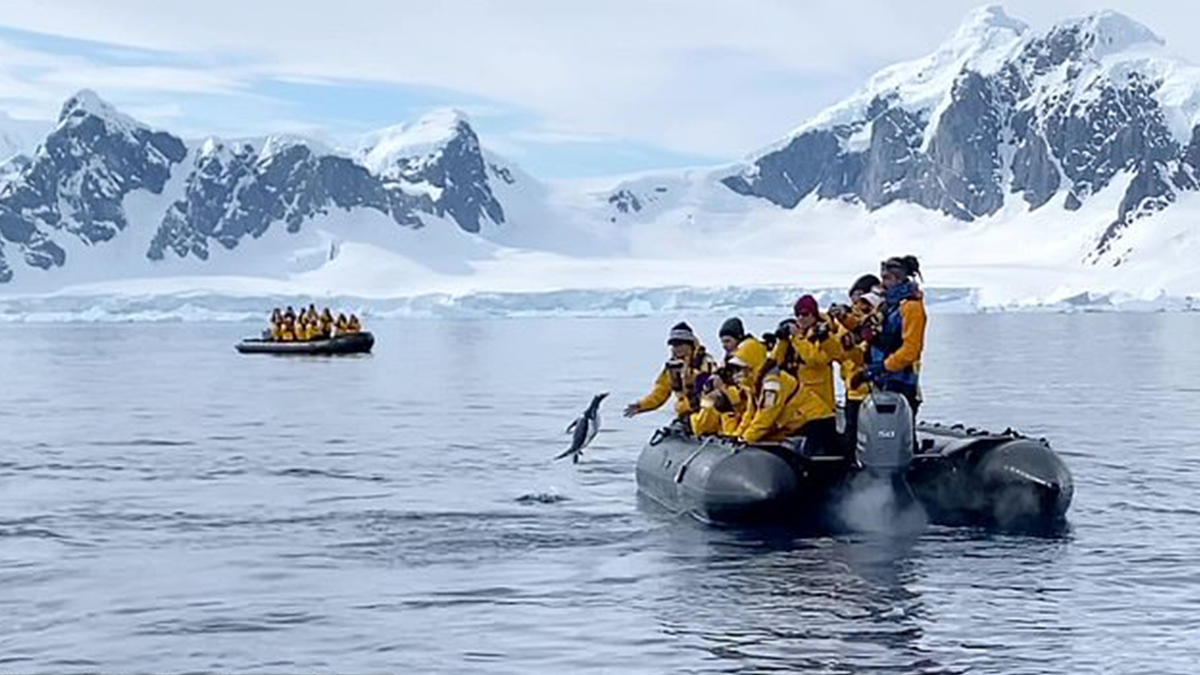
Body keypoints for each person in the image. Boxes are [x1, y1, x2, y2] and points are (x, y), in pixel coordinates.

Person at [857, 256, 927, 418]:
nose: (883, 283)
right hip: (883, 380)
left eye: (887, 278)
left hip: (901, 381)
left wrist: (883, 366)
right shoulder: (888, 306)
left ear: (898, 279)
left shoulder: (911, 307)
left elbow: (911, 349)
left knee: (899, 426)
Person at [624, 322, 716, 422]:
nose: (676, 348)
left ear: (690, 345)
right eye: (674, 345)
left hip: (705, 415)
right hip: (685, 415)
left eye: (679, 344)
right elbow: (660, 391)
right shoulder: (672, 366)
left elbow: (710, 393)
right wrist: (642, 405)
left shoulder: (706, 363)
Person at [830, 274, 882, 448]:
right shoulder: (845, 319)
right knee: (852, 429)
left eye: (859, 295)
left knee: (863, 431)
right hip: (852, 385)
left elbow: (862, 352)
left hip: (868, 386)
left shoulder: (873, 320)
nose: (855, 300)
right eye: (853, 295)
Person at [728, 337, 806, 444]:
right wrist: (737, 435)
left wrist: (746, 439)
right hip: (790, 426)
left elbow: (766, 417)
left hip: (807, 423)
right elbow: (750, 414)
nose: (738, 372)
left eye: (741, 367)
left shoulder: (772, 384)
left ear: (752, 364)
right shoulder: (754, 385)